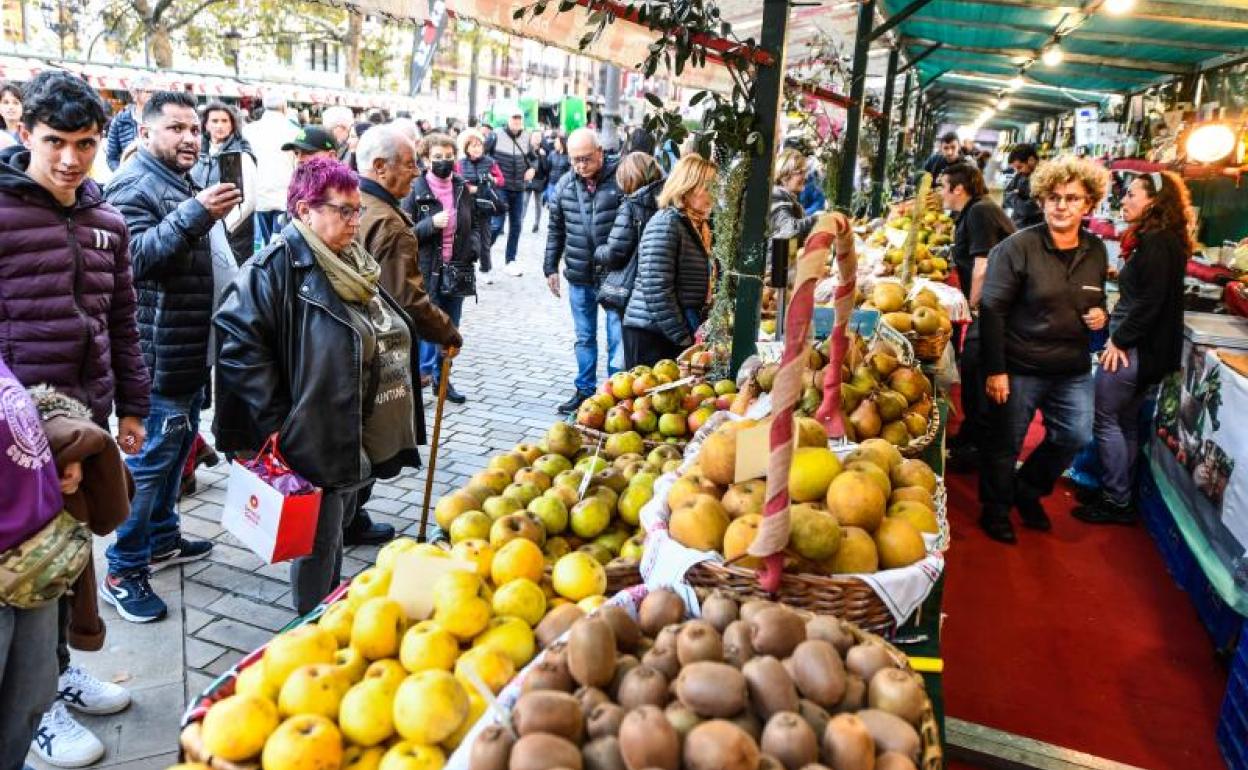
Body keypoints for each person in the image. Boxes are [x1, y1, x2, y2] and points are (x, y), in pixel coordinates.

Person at [0, 69, 144, 769]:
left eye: (85, 143)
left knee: (67, 561)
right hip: (13, 438)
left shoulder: (107, 221)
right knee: (23, 573)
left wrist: (134, 408)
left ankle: (56, 676)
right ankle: (30, 714)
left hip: (86, 419)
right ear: (24, 132)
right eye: (55, 140)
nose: (69, 158)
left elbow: (123, 324)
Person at [214, 158, 430, 614]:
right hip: (313, 431)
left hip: (351, 424)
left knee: (339, 521)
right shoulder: (272, 269)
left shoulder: (353, 263)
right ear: (304, 209)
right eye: (344, 210)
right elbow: (237, 349)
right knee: (322, 535)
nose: (356, 220)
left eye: (357, 210)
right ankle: (313, 622)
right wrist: (282, 423)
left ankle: (328, 601)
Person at [103, 91, 241, 618]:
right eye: (176, 129)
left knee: (173, 454)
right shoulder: (133, 185)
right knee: (150, 463)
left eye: (193, 129)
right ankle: (124, 566)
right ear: (144, 134)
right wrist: (195, 213)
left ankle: (162, 538)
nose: (189, 138)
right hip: (156, 358)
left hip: (185, 350)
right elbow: (132, 262)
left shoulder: (178, 182)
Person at [977, 156, 1110, 544]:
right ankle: (996, 510)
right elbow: (991, 309)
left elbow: (1093, 299)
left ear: (1088, 205)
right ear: (1041, 200)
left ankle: (1028, 489)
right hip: (1020, 365)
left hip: (1072, 367)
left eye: (1072, 198)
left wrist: (1101, 315)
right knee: (1006, 443)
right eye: (1053, 197)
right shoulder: (1017, 248)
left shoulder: (1097, 250)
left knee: (1076, 435)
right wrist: (995, 369)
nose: (1062, 205)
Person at [1077, 171, 1190, 525]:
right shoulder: (1164, 240)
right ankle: (1119, 491)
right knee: (1124, 420)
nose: (1123, 201)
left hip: (1134, 350)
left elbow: (1149, 303)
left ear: (1154, 202)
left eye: (1131, 195)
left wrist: (1118, 339)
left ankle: (1116, 498)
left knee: (1105, 418)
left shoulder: (1156, 242)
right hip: (1147, 352)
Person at [938, 163, 1015, 469]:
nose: (941, 194)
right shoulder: (974, 211)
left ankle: (978, 446)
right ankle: (971, 433)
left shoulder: (980, 212)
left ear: (959, 189)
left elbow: (982, 267)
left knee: (976, 365)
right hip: (991, 303)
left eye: (944, 187)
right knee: (971, 367)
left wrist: (971, 307)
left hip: (993, 305)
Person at [544, 128, 624, 413]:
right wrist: (550, 267)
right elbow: (555, 229)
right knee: (584, 336)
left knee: (617, 337)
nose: (581, 165)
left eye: (586, 158)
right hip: (579, 274)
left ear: (600, 152)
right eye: (575, 160)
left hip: (614, 275)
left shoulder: (620, 180)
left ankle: (618, 393)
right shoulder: (565, 185)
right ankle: (585, 390)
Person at [622, 153, 718, 367]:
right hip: (651, 333)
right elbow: (657, 290)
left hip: (672, 329)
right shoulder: (666, 224)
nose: (715, 195)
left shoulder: (699, 225)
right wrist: (683, 338)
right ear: (687, 187)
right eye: (709, 188)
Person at [401, 132, 476, 404]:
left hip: (457, 270)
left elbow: (474, 222)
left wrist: (473, 249)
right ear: (425, 159)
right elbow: (403, 234)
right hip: (427, 269)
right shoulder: (415, 190)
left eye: (448, 156)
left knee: (450, 328)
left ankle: (443, 379)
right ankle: (422, 377)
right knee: (428, 325)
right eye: (437, 157)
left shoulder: (460, 187)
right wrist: (431, 224)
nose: (444, 161)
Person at [596, 151, 664, 352]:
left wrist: (598, 251)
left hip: (628, 290)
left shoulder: (631, 205)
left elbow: (615, 253)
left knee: (620, 351)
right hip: (651, 288)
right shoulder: (664, 201)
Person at [191, 101, 256, 264]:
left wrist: (224, 228)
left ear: (233, 125)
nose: (219, 125)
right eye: (214, 121)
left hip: (234, 234)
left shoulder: (241, 155)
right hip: (200, 230)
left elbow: (248, 201)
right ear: (205, 125)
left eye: (224, 121)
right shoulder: (197, 153)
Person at [242, 93, 299, 245]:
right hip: (285, 198)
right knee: (281, 249)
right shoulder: (294, 131)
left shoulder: (248, 131)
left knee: (266, 247)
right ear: (285, 107)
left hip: (258, 198)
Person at [456, 128, 506, 282]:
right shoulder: (460, 164)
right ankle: (465, 268)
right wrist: (467, 187)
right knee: (465, 240)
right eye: (473, 146)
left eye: (479, 145)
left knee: (485, 240)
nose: (476, 148)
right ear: (466, 148)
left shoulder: (490, 162)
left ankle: (485, 269)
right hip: (466, 206)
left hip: (484, 207)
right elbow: (455, 181)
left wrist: (492, 180)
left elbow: (501, 180)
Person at [492, 110, 536, 276]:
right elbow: (486, 158)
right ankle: (482, 253)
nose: (517, 121)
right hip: (500, 187)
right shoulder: (496, 136)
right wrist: (492, 176)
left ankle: (510, 260)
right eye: (514, 118)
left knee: (516, 226)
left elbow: (533, 158)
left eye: (519, 118)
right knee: (497, 224)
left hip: (518, 188)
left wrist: (533, 168)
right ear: (508, 119)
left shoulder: (526, 137)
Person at [770, 149, 820, 246]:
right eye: (800, 172)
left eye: (805, 172)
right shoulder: (777, 195)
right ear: (785, 175)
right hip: (778, 259)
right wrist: (817, 219)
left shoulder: (788, 197)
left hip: (787, 257)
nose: (805, 177)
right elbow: (789, 230)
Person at [104, 75, 152, 171]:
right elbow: (111, 157)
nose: (152, 95)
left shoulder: (160, 119)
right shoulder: (120, 120)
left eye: (153, 92)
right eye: (148, 92)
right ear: (135, 93)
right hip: (128, 177)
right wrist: (123, 174)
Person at [1004, 144, 1044, 230]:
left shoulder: (1044, 179)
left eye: (1020, 167)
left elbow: (1027, 209)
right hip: (1017, 228)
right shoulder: (1020, 176)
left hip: (1034, 230)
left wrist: (1014, 195)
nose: (1018, 171)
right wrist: (1017, 197)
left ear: (1031, 160)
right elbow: (1005, 198)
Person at [526, 131, 551, 232]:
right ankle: (520, 222)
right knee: (524, 203)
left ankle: (536, 224)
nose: (536, 139)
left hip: (539, 180)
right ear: (530, 138)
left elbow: (546, 168)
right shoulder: (526, 150)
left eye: (538, 137)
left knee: (538, 204)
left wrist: (543, 156)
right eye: (534, 136)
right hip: (527, 180)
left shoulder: (544, 150)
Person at [545, 133, 571, 206]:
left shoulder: (568, 156)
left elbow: (570, 171)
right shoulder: (552, 154)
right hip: (552, 183)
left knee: (561, 205)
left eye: (556, 142)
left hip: (563, 185)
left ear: (562, 143)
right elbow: (547, 167)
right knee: (551, 204)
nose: (555, 144)